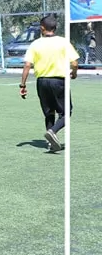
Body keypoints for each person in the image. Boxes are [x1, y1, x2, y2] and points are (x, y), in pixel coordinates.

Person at [19, 15, 79, 153]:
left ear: (42, 28)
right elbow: (74, 62)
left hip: (41, 82)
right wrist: (74, 73)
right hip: (58, 81)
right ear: (55, 28)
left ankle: (51, 143)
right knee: (65, 114)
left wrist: (22, 85)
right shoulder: (63, 42)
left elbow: (27, 65)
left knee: (49, 113)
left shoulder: (35, 44)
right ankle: (52, 132)